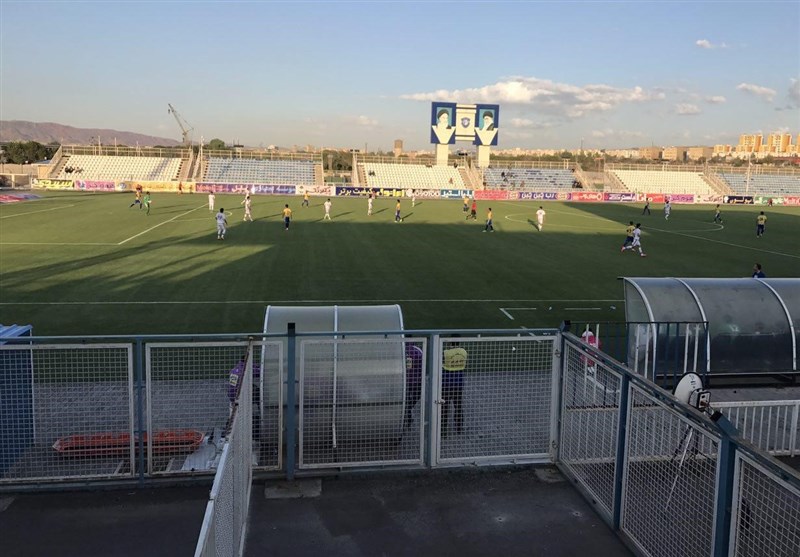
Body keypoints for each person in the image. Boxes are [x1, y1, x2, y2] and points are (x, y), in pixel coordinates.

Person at [442, 337, 467, 436]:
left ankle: (443, 429)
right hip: (459, 383)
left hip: (447, 384)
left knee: (444, 407)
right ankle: (459, 427)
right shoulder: (463, 352)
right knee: (458, 406)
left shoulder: (446, 353)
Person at [403, 343, 424, 430]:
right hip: (416, 380)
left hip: (406, 380)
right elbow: (422, 365)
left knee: (406, 399)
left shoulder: (403, 349)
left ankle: (407, 412)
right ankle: (407, 411)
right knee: (416, 396)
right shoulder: (417, 350)